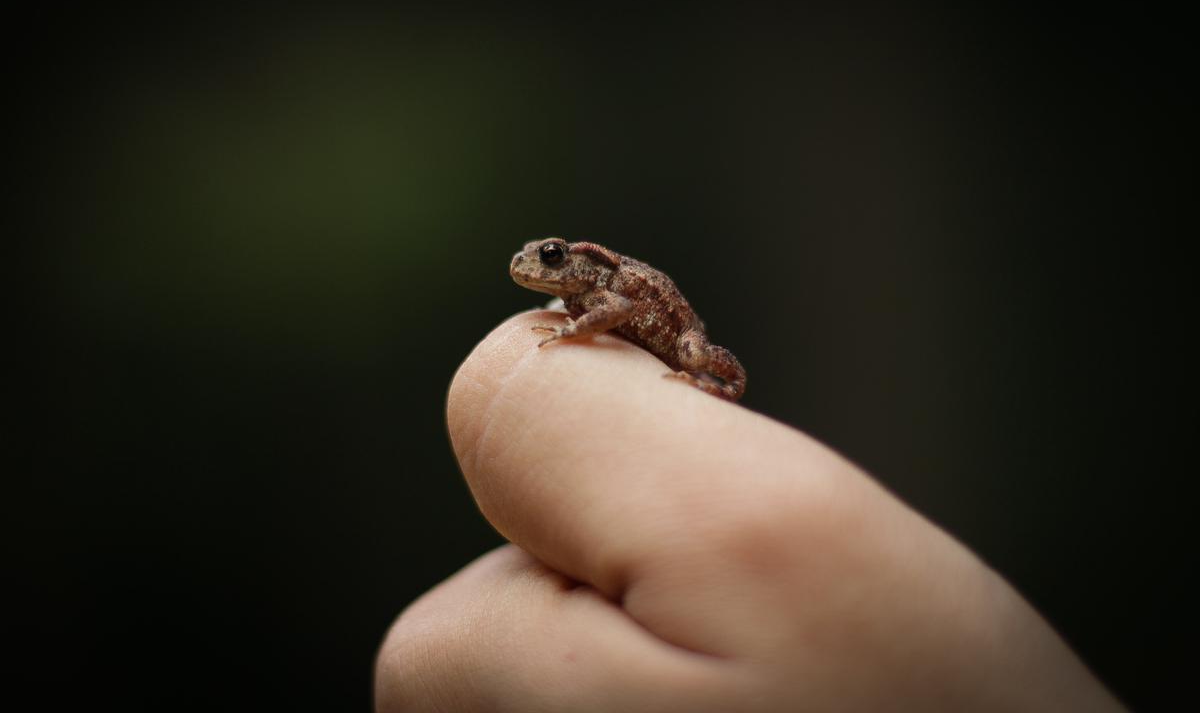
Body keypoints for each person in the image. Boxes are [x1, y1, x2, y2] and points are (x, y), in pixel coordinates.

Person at [374, 311, 1124, 711]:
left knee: (701, 355)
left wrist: (575, 333)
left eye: (553, 257)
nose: (542, 271)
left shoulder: (611, 286)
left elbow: (633, 312)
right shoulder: (583, 296)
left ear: (583, 262)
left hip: (676, 336)